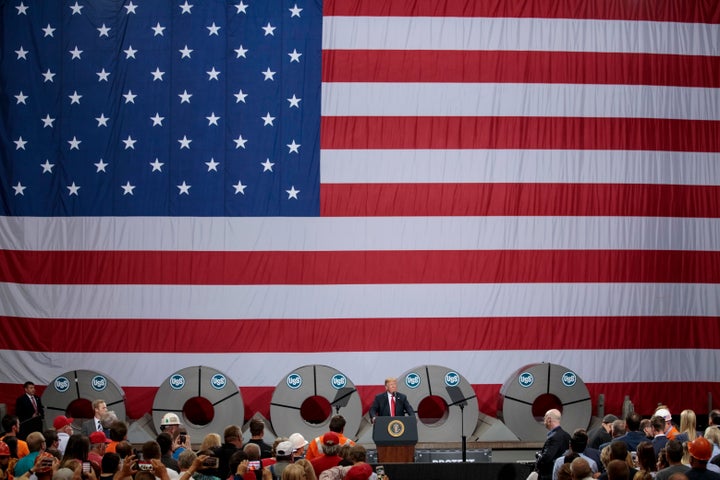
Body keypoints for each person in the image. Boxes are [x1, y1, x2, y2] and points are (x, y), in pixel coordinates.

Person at [535, 409, 572, 480]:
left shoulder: (553, 437)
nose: (544, 420)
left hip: (549, 475)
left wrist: (538, 455)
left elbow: (546, 458)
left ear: (549, 419)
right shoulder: (567, 435)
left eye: (545, 417)